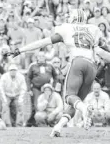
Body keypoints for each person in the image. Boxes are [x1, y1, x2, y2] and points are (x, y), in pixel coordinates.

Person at [6, 9, 102, 137]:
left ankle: (85, 110)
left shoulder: (67, 28)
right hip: (92, 66)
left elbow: (42, 42)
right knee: (75, 102)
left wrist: (21, 50)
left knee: (69, 97)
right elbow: (100, 51)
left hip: (78, 62)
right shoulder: (93, 29)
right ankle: (58, 127)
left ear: (72, 18)